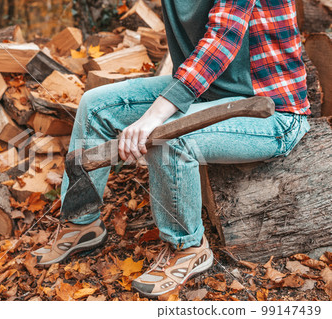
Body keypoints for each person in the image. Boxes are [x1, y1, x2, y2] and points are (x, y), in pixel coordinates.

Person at [31, 0, 311, 297]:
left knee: (167, 137)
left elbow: (222, 39)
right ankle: (82, 224)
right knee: (95, 106)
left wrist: (153, 117)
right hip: (210, 91)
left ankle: (187, 247)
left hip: (273, 111)